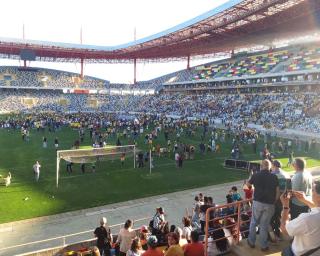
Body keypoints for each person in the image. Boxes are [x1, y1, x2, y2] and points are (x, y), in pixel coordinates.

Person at [247, 159, 279, 251]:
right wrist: (273, 202)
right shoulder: (274, 177)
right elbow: (277, 193)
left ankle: (251, 242)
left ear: (261, 166)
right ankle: (263, 246)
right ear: (269, 167)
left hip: (258, 203)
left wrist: (250, 184)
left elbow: (247, 185)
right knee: (264, 225)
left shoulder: (256, 175)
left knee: (254, 223)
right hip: (270, 204)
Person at [280, 181, 320, 256]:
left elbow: (284, 230)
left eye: (313, 190)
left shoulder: (306, 218)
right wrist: (305, 200)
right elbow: (317, 210)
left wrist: (285, 207)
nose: (311, 193)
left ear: (319, 197)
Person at [270, 160, 289, 239]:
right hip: (283, 199)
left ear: (274, 165)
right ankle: (278, 233)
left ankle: (274, 234)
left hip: (274, 198)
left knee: (272, 216)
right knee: (278, 215)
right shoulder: (286, 173)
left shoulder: (272, 174)